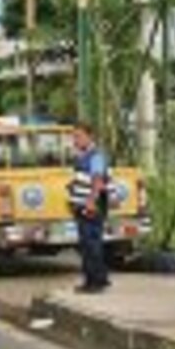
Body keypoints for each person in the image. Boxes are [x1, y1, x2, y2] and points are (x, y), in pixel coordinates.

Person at [68, 121, 110, 293]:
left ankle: (94, 282)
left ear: (89, 136)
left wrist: (91, 203)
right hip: (83, 204)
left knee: (90, 244)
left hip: (90, 206)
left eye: (78, 136)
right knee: (89, 244)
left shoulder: (95, 156)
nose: (75, 141)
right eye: (74, 137)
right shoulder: (83, 156)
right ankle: (99, 278)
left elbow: (98, 181)